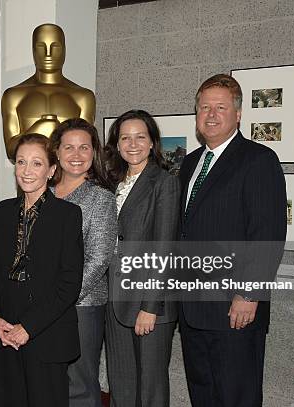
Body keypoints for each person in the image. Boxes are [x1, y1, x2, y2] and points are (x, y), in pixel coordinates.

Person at [178, 74, 286, 407]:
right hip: (193, 308)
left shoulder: (258, 160)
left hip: (234, 308)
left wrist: (249, 294)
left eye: (220, 107)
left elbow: (267, 233)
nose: (211, 114)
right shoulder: (191, 163)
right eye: (204, 107)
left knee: (237, 395)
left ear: (238, 114)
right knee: (204, 394)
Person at [0, 133, 83, 407]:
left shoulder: (68, 215)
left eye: (36, 164)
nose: (26, 171)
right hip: (5, 333)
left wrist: (29, 327)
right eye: (21, 162)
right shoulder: (1, 212)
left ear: (51, 171)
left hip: (46, 333)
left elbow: (69, 284)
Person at [104, 110, 180, 407]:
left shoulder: (164, 182)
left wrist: (151, 306)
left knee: (150, 390)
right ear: (117, 144)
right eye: (125, 137)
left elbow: (165, 247)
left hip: (149, 303)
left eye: (140, 137)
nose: (132, 144)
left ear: (152, 143)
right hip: (115, 300)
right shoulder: (112, 183)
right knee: (121, 385)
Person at [49, 118, 116, 407]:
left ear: (94, 153)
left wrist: (61, 298)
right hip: (41, 305)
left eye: (84, 148)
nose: (76, 155)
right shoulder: (43, 193)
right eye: (69, 147)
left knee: (79, 382)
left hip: (82, 306)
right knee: (49, 380)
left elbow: (99, 258)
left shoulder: (100, 198)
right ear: (57, 152)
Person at [1, 23, 96, 159]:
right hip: (31, 175)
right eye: (41, 47)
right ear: (33, 51)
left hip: (69, 176)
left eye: (55, 47)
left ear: (64, 50)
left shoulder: (83, 97)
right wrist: (39, 128)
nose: (48, 54)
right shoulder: (13, 95)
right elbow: (11, 151)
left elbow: (86, 148)